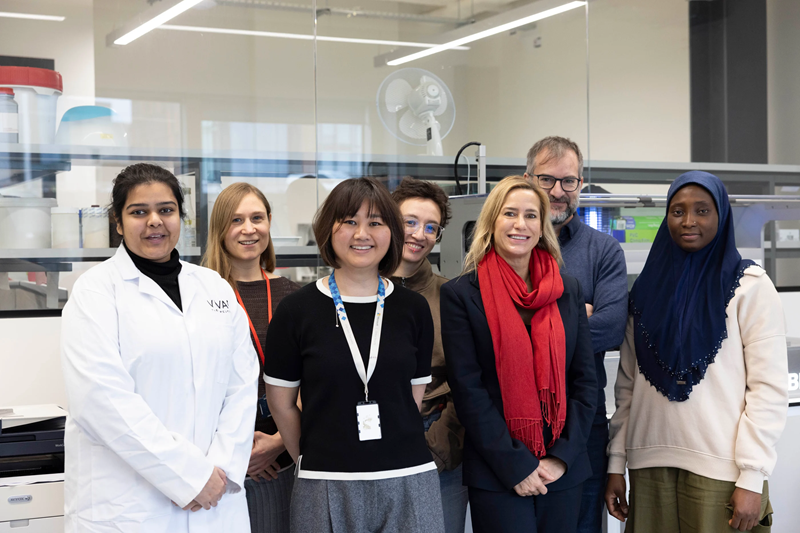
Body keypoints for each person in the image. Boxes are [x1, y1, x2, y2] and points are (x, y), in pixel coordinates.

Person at [61, 163, 259, 533]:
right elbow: (102, 401)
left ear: (180, 218)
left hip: (217, 501)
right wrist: (188, 476)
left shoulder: (214, 287)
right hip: (130, 507)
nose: (154, 221)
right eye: (139, 212)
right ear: (118, 223)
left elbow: (243, 386)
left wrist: (219, 471)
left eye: (166, 210)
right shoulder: (96, 292)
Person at [605, 171, 788, 532]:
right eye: (678, 211)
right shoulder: (644, 290)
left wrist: (752, 476)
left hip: (721, 471)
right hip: (648, 466)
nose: (689, 221)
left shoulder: (751, 287)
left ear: (721, 216)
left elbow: (768, 389)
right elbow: (627, 385)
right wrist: (616, 464)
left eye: (702, 210)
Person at [264, 177, 445, 533]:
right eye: (349, 221)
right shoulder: (296, 310)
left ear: (391, 231)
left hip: (407, 475)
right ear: (328, 230)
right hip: (325, 479)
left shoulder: (413, 308)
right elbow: (281, 404)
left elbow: (411, 398)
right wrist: (314, 454)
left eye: (375, 222)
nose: (362, 233)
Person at [440, 175, 597, 533]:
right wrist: (516, 466)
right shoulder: (462, 295)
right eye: (509, 213)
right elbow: (468, 390)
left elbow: (585, 381)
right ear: (492, 222)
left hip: (563, 471)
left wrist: (560, 459)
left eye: (530, 215)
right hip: (498, 474)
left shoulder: (567, 290)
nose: (520, 224)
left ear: (543, 227)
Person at [523, 136, 628, 533]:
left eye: (569, 181)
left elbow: (612, 327)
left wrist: (531, 323)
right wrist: (576, 315)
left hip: (582, 423)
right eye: (547, 179)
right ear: (526, 178)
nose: (557, 192)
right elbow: (487, 333)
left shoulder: (602, 251)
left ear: (581, 184)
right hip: (510, 425)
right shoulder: (508, 247)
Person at [203, 182, 301, 533]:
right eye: (236, 220)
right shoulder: (200, 294)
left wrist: (276, 445)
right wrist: (235, 451)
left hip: (282, 456)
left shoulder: (294, 295)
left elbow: (313, 375)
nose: (249, 229)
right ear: (219, 230)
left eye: (257, 218)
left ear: (270, 222)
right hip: (216, 461)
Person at [390, 176, 468, 533]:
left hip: (436, 441)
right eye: (410, 222)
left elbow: (468, 382)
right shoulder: (353, 292)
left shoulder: (450, 296)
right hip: (370, 442)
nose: (419, 234)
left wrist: (436, 447)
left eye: (431, 227)